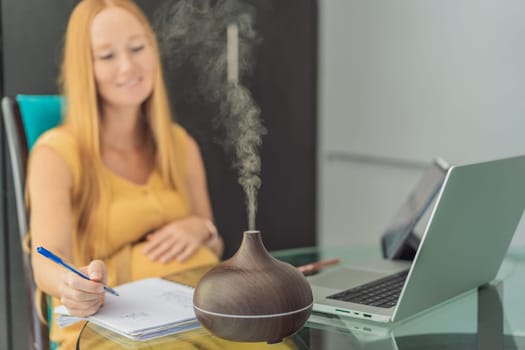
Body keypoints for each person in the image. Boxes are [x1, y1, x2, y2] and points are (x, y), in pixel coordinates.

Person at [27, 0, 223, 348]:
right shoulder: (55, 154)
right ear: (83, 67)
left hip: (197, 313)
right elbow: (46, 263)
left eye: (137, 48)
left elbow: (216, 246)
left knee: (271, 338)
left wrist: (201, 228)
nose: (128, 66)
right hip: (109, 328)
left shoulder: (180, 144)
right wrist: (73, 286)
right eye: (106, 56)